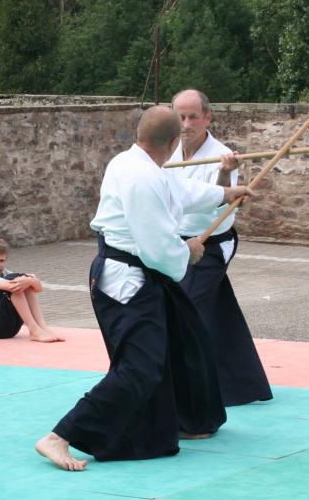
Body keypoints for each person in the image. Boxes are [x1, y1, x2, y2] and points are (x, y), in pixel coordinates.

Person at [35, 106, 253, 471]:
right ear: (172, 142)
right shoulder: (141, 178)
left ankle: (187, 421)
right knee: (140, 366)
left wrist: (226, 192)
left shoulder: (133, 163)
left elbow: (179, 190)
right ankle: (59, 436)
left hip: (141, 276)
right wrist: (187, 250)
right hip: (127, 281)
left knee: (187, 341)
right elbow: (156, 248)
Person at [167, 89, 273, 406]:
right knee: (218, 312)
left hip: (209, 244)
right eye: (179, 117)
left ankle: (190, 389)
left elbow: (219, 208)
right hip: (178, 244)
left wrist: (225, 175)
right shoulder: (167, 152)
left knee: (188, 312)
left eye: (192, 117)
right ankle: (243, 384)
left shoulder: (223, 156)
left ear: (208, 118)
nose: (185, 124)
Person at [0, 239, 63, 343]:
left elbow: (38, 289)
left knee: (21, 280)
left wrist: (28, 280)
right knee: (16, 281)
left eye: (2, 260)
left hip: (10, 328)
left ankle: (42, 326)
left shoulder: (5, 273)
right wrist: (29, 280)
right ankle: (34, 330)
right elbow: (13, 286)